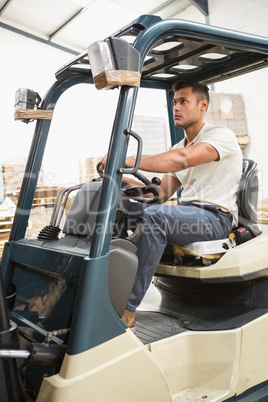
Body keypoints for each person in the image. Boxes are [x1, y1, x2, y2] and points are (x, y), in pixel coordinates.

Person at [99, 79, 242, 330]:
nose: (176, 107)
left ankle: (126, 309)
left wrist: (126, 157)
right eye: (175, 102)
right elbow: (161, 194)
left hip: (215, 219)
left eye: (183, 101)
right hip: (188, 214)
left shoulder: (220, 135)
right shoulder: (179, 146)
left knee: (156, 218)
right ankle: (102, 293)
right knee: (123, 211)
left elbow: (182, 161)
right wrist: (120, 178)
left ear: (202, 105)